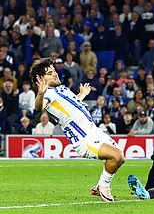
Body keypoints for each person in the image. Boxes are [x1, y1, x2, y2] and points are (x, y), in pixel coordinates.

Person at [31, 57, 125, 202]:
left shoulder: (60, 89)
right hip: (84, 138)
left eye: (54, 70)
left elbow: (71, 107)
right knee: (116, 156)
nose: (55, 73)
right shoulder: (47, 94)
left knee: (121, 158)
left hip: (94, 131)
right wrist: (41, 93)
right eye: (50, 73)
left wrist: (81, 95)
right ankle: (104, 188)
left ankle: (100, 185)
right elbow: (39, 107)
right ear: (41, 79)